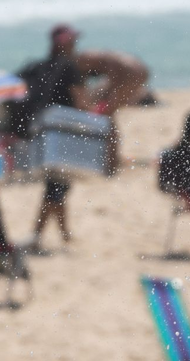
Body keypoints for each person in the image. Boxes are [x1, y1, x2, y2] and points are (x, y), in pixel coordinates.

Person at [21, 24, 90, 249]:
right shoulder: (70, 67)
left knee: (57, 184)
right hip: (64, 133)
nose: (75, 45)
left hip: (41, 131)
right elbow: (81, 102)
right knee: (57, 187)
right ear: (65, 45)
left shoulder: (41, 66)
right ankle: (36, 235)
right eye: (73, 42)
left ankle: (64, 234)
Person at [75, 49, 150, 173]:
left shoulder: (95, 60)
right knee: (108, 117)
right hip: (137, 71)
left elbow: (113, 75)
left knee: (108, 118)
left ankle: (111, 161)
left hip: (132, 73)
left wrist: (109, 97)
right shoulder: (102, 58)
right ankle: (111, 158)